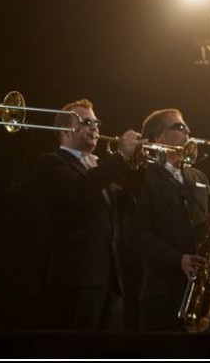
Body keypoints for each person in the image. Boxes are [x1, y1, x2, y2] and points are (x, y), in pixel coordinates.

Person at [126, 108, 210, 331]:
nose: (188, 131)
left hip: (200, 292)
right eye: (179, 127)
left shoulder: (198, 177)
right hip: (162, 293)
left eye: (186, 126)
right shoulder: (142, 176)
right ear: (158, 138)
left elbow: (209, 223)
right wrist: (178, 259)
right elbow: (137, 235)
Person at [35, 99, 142, 330]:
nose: (95, 128)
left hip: (110, 281)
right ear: (65, 131)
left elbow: (129, 205)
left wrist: (133, 167)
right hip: (78, 280)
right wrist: (121, 157)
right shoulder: (52, 163)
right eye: (87, 122)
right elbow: (79, 194)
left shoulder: (98, 168)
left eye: (96, 122)